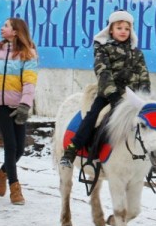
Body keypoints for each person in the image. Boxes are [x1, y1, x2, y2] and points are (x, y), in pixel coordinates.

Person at [59, 10, 150, 168]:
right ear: (111, 30)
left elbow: (143, 74)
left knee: (149, 122)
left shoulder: (137, 53)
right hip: (109, 95)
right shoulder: (103, 49)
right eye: (119, 28)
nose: (123, 31)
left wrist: (145, 95)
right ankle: (72, 150)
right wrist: (113, 95)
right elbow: (103, 72)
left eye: (127, 29)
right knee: (93, 116)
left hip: (132, 97)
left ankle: (151, 153)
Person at [0, 18, 39, 205]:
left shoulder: (28, 54)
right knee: (11, 145)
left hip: (19, 105)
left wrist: (25, 105)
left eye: (6, 26)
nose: (2, 28)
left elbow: (30, 82)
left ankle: (2, 172)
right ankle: (15, 188)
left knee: (20, 148)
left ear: (15, 31)